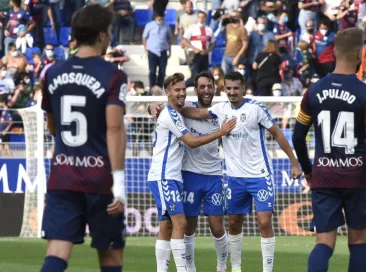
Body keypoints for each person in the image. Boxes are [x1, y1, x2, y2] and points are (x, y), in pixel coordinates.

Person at [179, 71, 302, 272]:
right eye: (229, 88)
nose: (233, 92)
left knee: (264, 222)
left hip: (260, 175)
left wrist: (294, 163)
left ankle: (267, 270)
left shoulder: (256, 108)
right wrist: (167, 107)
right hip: (235, 178)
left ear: (243, 88)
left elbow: (278, 134)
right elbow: (197, 113)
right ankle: (236, 268)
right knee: (234, 223)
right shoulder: (220, 109)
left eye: (236, 88)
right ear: (224, 89)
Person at [39, 4, 128, 272]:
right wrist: (120, 184)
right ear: (102, 35)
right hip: (100, 180)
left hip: (63, 176)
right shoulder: (113, 75)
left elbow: (52, 126)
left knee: (56, 254)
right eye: (110, 31)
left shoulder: (52, 73)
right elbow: (114, 129)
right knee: (110, 258)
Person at [292, 27, 366, 272]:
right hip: (358, 176)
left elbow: (298, 137)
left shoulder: (314, 91)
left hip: (324, 175)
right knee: (359, 242)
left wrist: (309, 170)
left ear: (333, 51)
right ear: (361, 52)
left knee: (323, 242)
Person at [146, 73, 236, 272]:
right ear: (196, 90)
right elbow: (191, 141)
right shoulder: (180, 112)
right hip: (179, 175)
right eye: (201, 86)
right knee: (183, 225)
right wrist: (153, 104)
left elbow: (178, 109)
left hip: (208, 175)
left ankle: (221, 267)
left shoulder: (219, 111)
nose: (205, 90)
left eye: (209, 86)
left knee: (172, 225)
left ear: (214, 88)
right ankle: (187, 269)